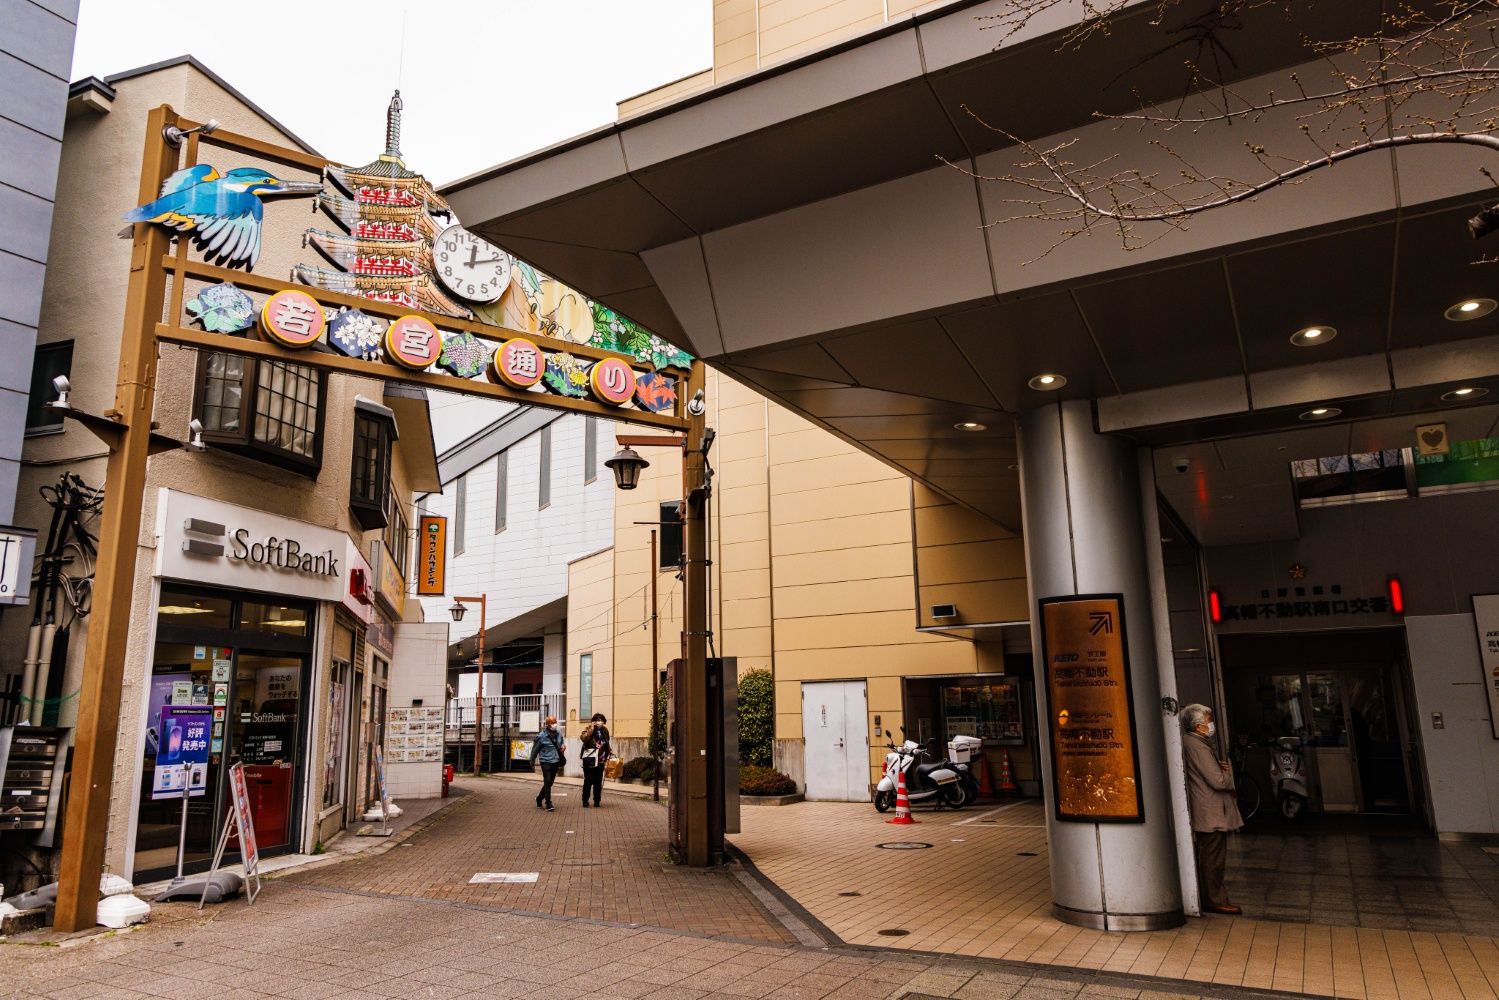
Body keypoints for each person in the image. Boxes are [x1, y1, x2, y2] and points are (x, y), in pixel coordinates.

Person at [1182, 703, 1243, 915]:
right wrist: (1226, 773)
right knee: (1213, 858)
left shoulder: (1196, 743)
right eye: (1208, 721)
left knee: (1210, 855)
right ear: (1198, 726)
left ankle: (1211, 897)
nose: (1211, 724)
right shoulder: (1197, 746)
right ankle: (1214, 899)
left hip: (1208, 809)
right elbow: (1217, 781)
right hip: (1210, 810)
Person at [531, 715, 564, 811]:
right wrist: (532, 760)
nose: (555, 724)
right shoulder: (542, 736)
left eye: (555, 722)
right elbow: (535, 749)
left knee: (549, 782)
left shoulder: (558, 734)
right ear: (548, 724)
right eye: (553, 723)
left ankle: (539, 798)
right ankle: (548, 803)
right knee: (547, 780)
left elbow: (561, 744)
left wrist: (563, 747)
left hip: (555, 760)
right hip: (545, 761)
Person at [580, 713, 612, 807]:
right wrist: (591, 730)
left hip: (601, 759)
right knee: (588, 780)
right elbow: (583, 739)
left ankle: (597, 800)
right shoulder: (589, 728)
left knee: (598, 781)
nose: (599, 722)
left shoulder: (605, 730)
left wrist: (608, 751)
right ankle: (585, 800)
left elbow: (607, 742)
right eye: (597, 720)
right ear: (593, 721)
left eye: (601, 720)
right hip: (590, 759)